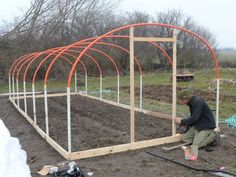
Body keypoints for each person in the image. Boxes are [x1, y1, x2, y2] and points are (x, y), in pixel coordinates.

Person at [174, 90, 217, 160]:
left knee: (196, 145)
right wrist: (185, 125)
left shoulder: (197, 102)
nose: (181, 102)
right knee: (184, 139)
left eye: (182, 100)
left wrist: (182, 121)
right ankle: (198, 137)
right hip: (198, 126)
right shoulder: (191, 103)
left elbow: (194, 118)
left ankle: (213, 136)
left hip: (206, 126)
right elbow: (194, 119)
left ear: (185, 98)